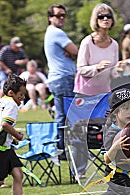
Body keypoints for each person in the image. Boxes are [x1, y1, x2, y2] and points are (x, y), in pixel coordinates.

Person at [73, 3, 121, 177]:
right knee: (81, 132)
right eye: (101, 17)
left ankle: (112, 166)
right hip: (85, 93)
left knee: (109, 129)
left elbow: (113, 72)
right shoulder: (88, 42)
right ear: (96, 20)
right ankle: (80, 171)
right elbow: (80, 69)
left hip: (104, 94)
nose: (105, 19)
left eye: (108, 16)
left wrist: (118, 70)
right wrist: (97, 67)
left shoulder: (114, 44)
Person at [44, 4, 78, 154]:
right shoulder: (57, 33)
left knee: (61, 116)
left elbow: (72, 51)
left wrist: (69, 52)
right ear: (50, 18)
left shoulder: (51, 32)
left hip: (57, 78)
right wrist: (70, 52)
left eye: (64, 15)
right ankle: (66, 148)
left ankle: (61, 148)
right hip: (63, 78)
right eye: (58, 15)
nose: (62, 18)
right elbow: (76, 51)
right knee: (71, 116)